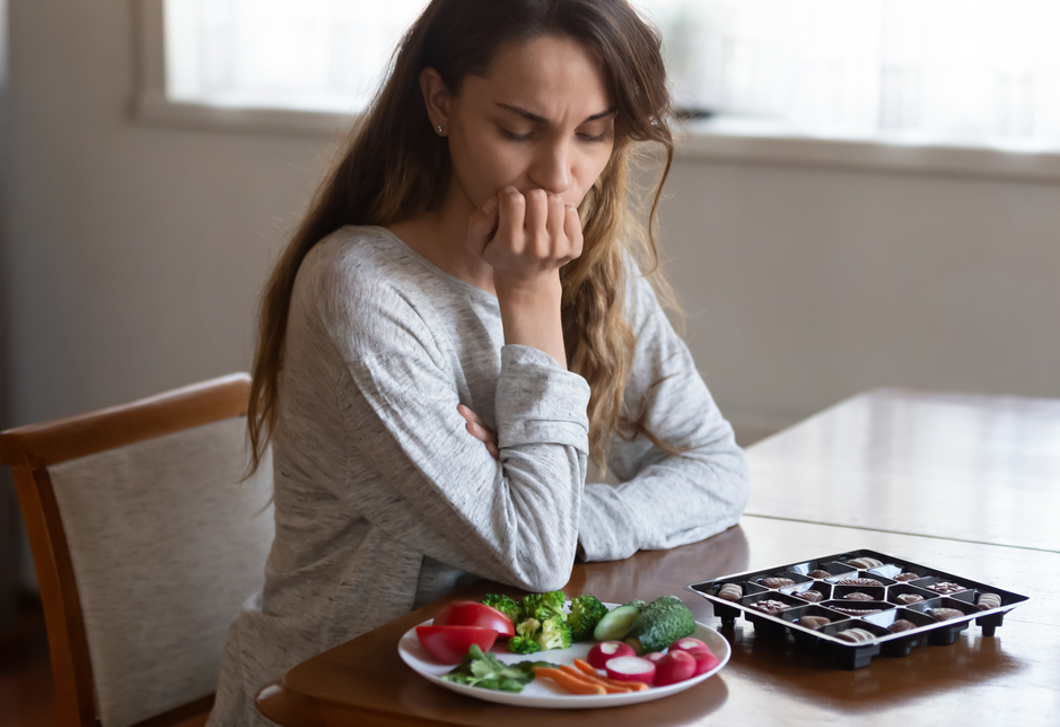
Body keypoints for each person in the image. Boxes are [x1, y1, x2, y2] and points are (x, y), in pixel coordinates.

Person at [207, 0, 749, 724]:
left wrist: (564, 513)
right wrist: (529, 297)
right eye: (519, 130)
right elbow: (533, 558)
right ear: (440, 102)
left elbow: (714, 465)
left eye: (594, 133)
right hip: (334, 699)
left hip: (513, 693)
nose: (560, 175)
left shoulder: (597, 268)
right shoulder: (361, 291)